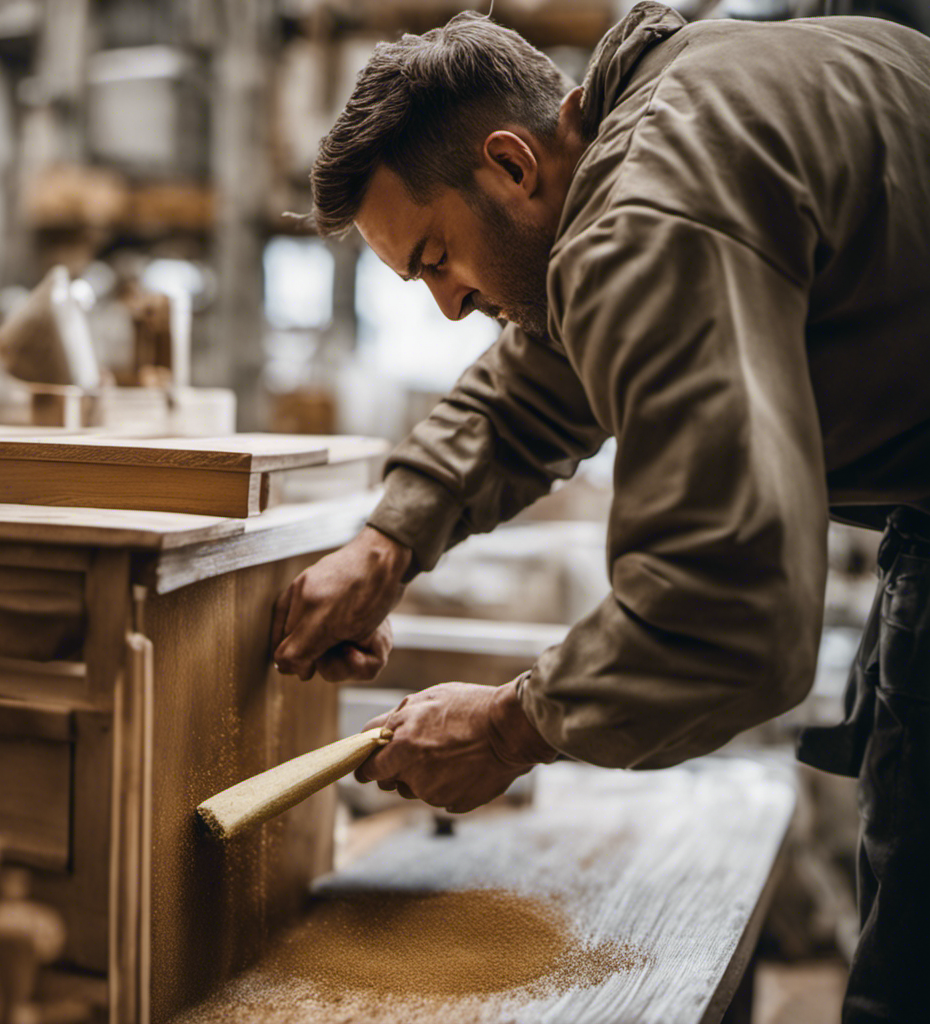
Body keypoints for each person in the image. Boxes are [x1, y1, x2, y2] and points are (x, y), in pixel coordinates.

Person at [269, 4, 930, 1020]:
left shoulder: (651, 207)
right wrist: (386, 542)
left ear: (510, 164)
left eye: (433, 257)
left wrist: (507, 724)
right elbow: (543, 377)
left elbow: (728, 610)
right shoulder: (672, 114)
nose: (446, 306)